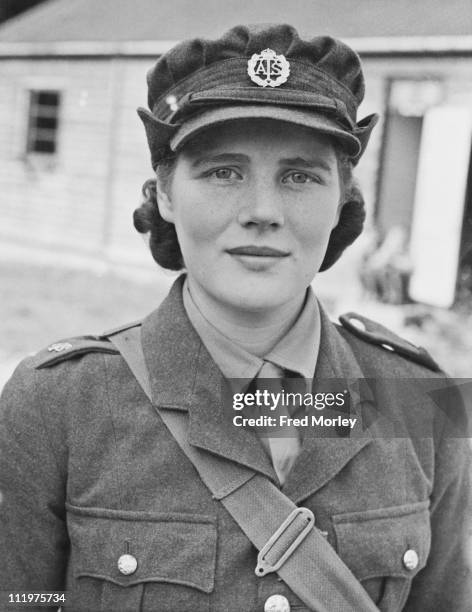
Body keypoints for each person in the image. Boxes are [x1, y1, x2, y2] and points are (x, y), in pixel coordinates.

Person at [0, 23, 470, 612]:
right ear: (166, 194)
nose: (262, 212)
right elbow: (21, 598)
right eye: (224, 171)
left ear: (343, 199)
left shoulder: (422, 398)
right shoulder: (57, 405)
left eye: (300, 176)